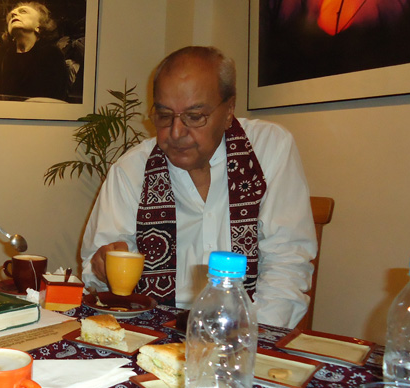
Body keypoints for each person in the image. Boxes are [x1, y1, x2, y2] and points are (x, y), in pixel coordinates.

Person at [81, 46, 318, 328]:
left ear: (228, 111)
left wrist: (249, 337)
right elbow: (95, 275)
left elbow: (287, 263)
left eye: (194, 117)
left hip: (247, 325)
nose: (176, 132)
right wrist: (101, 268)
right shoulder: (131, 170)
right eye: (164, 116)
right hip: (153, 327)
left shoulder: (269, 149)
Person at [0, 1, 69, 101]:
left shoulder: (52, 55)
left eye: (23, 11)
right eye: (11, 16)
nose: (14, 14)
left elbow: (55, 101)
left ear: (38, 26)